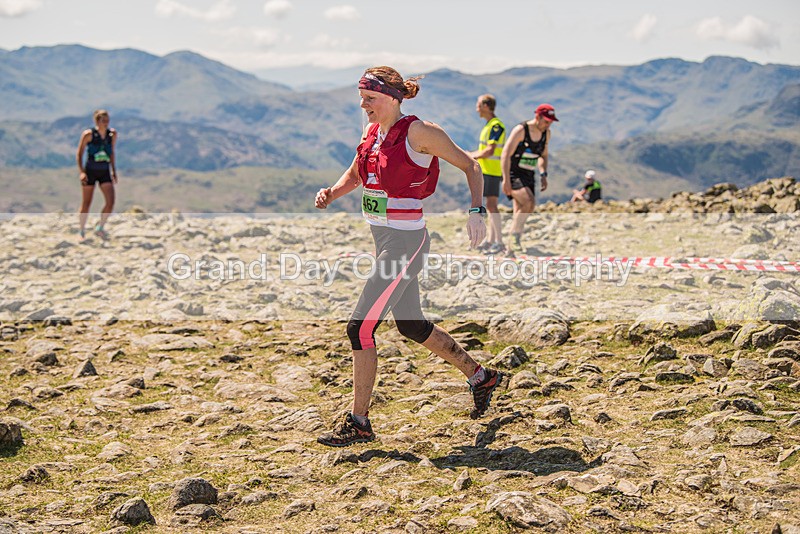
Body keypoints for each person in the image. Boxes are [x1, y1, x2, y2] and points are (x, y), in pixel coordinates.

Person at [314, 66, 502, 447]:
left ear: (393, 98)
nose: (363, 105)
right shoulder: (372, 132)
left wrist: (476, 211)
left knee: (359, 328)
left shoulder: (420, 132)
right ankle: (481, 377)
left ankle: (359, 423)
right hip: (384, 240)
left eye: (370, 98)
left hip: (405, 244)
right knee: (412, 326)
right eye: (361, 98)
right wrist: (333, 193)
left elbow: (471, 165)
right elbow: (356, 172)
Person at [500, 103, 557, 256]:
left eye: (551, 122)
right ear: (537, 117)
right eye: (546, 121)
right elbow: (505, 155)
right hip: (514, 173)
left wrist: (543, 173)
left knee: (521, 209)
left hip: (529, 174)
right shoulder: (521, 130)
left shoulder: (547, 133)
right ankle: (515, 237)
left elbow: (543, 156)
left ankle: (510, 249)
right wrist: (505, 179)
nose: (548, 124)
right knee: (529, 202)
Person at [469, 94, 506, 254]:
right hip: (487, 170)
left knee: (491, 206)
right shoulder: (489, 125)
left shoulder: (496, 126)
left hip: (492, 170)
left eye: (478, 104)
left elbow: (490, 150)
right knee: (490, 206)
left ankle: (499, 242)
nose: (476, 108)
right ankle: (491, 241)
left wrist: (471, 155)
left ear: (485, 105)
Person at [76, 109, 118, 240]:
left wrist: (113, 170)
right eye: (103, 120)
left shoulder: (112, 134)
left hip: (104, 170)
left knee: (110, 202)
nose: (105, 123)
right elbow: (80, 152)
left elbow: (111, 153)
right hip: (91, 170)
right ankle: (82, 229)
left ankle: (100, 227)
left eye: (107, 120)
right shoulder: (89, 135)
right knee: (87, 203)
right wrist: (82, 171)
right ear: (97, 121)